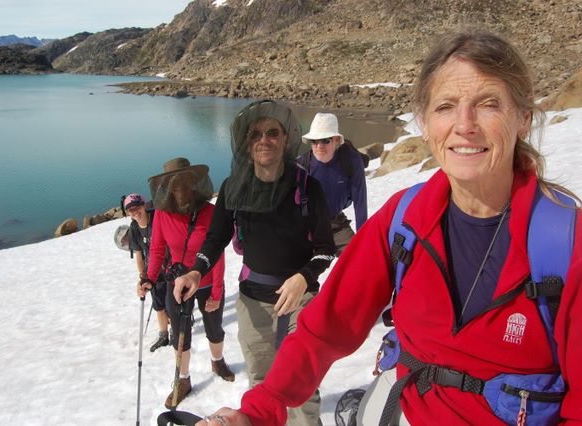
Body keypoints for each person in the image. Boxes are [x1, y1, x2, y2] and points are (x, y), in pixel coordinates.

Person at [195, 29, 582, 425]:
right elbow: (324, 327)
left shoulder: (565, 246)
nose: (464, 125)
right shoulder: (405, 219)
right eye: (446, 106)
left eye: (488, 104)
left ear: (523, 117)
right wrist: (259, 409)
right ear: (424, 122)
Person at [174, 100, 336, 425]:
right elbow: (216, 239)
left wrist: (303, 277)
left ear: (285, 139)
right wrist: (196, 272)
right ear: (246, 143)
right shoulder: (234, 188)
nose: (264, 140)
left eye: (272, 133)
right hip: (252, 301)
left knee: (301, 384)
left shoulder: (308, 188)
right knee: (261, 383)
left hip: (300, 299)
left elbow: (325, 250)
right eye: (256, 134)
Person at [137, 158, 234, 409]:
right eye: (175, 184)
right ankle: (183, 379)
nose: (180, 188)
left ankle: (217, 362)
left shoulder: (210, 212)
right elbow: (157, 249)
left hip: (208, 281)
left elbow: (218, 252)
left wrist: (217, 291)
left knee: (214, 329)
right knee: (180, 333)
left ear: (194, 183)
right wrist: (149, 278)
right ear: (168, 187)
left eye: (185, 182)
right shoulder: (162, 213)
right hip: (177, 283)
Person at [298, 112, 368, 255]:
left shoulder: (351, 161)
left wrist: (363, 238)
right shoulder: (302, 165)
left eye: (325, 140)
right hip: (309, 227)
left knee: (359, 258)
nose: (319, 146)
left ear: (336, 140)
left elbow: (360, 202)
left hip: (337, 225)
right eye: (314, 141)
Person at [123, 193, 169, 351]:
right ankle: (164, 335)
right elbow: (139, 254)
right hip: (153, 272)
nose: (135, 212)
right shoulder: (134, 229)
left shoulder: (157, 219)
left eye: (137, 207)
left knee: (172, 302)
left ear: (144, 206)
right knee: (159, 305)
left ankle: (177, 328)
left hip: (169, 266)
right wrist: (143, 276)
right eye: (131, 210)